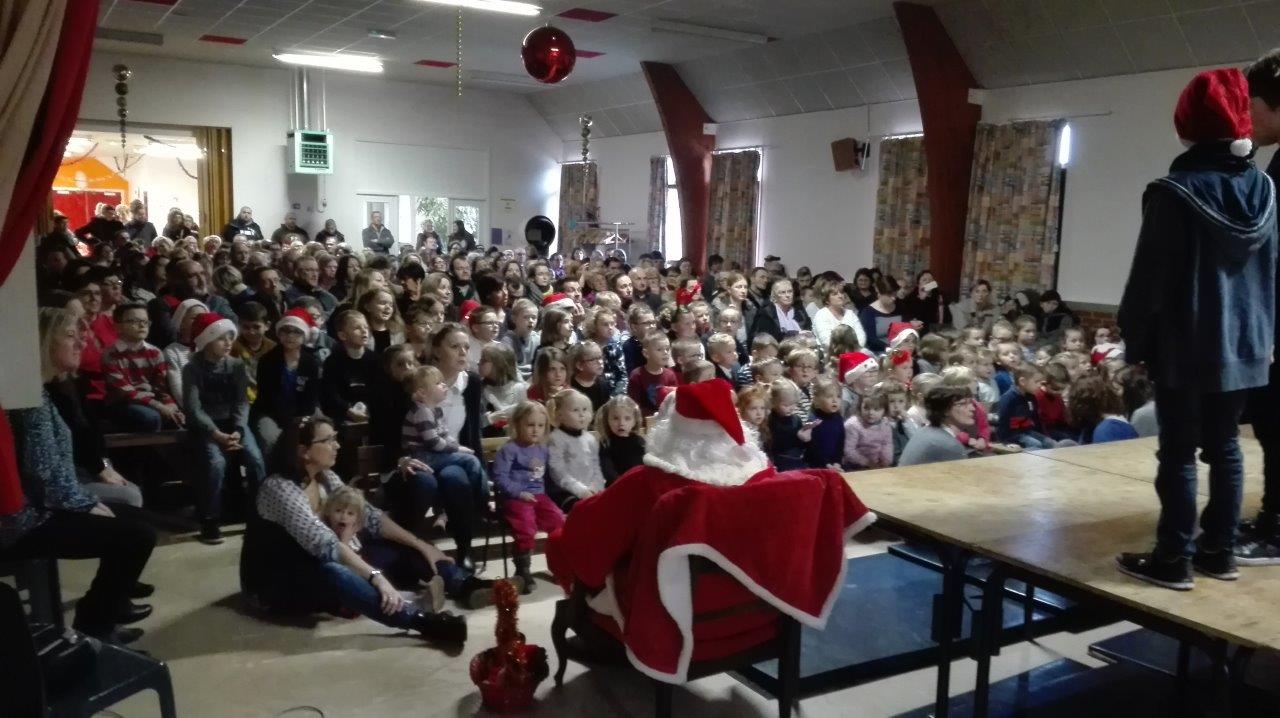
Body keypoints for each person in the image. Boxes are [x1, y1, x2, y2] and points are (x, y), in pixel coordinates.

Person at [1115, 69, 1278, 589]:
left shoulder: (1173, 191)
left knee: (1180, 451)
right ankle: (1220, 553)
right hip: (1248, 342)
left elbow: (1149, 281)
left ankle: (1173, 558)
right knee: (1226, 445)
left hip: (1185, 342)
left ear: (1187, 124)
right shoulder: (1266, 188)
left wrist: (1136, 341)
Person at [243, 417, 466, 642]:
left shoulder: (325, 477)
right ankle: (421, 621)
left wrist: (420, 545)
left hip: (315, 563)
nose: (337, 445)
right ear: (304, 451)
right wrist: (376, 577)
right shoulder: (279, 487)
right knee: (338, 572)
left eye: (335, 439)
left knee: (402, 547)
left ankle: (462, 582)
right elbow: (325, 545)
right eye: (328, 440)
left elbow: (370, 516)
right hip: (278, 582)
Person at [41, 308, 144, 508]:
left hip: (83, 472)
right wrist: (86, 499)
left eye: (81, 335)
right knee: (130, 497)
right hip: (66, 483)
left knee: (132, 492)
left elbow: (93, 431)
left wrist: (104, 466)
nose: (82, 343)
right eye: (71, 336)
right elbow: (45, 472)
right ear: (46, 341)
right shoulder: (40, 395)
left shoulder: (76, 383)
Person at [183, 312, 265, 544]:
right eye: (221, 338)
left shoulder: (236, 365)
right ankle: (210, 518)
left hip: (233, 423)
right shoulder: (193, 368)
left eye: (230, 337)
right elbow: (193, 407)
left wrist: (238, 428)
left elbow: (241, 400)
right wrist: (215, 433)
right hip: (208, 426)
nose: (228, 343)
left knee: (255, 459)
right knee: (216, 463)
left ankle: (259, 514)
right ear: (207, 340)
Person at [252, 309, 321, 461]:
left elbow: (310, 398)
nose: (290, 336)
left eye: (296, 332)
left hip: (302, 413)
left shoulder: (310, 363)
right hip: (271, 413)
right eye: (286, 331)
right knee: (271, 440)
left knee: (319, 434)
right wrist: (288, 422)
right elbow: (266, 398)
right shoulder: (267, 360)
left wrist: (300, 420)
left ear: (305, 336)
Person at [103, 302, 185, 431]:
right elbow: (125, 392)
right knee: (151, 418)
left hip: (151, 401)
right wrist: (160, 406)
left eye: (145, 321)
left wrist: (171, 406)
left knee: (179, 418)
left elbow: (161, 389)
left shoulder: (155, 352)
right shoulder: (111, 354)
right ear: (118, 326)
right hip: (123, 403)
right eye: (134, 321)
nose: (142, 325)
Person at [546, 389, 605, 511]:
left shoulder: (590, 439)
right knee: (581, 509)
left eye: (585, 409)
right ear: (560, 415)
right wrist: (581, 491)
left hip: (591, 489)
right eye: (575, 410)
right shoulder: (556, 438)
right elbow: (558, 471)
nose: (581, 414)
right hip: (565, 491)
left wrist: (595, 488)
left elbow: (596, 467)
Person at [320, 310, 376, 424]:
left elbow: (377, 390)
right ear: (342, 335)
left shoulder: (375, 360)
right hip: (342, 415)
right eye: (357, 328)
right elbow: (330, 393)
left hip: (369, 412)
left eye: (366, 327)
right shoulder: (333, 361)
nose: (364, 331)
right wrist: (348, 410)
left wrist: (368, 407)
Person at [898, 384, 973, 466]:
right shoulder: (948, 445)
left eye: (970, 403)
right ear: (945, 410)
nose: (972, 408)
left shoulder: (926, 431)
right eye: (962, 404)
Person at [596, 395, 645, 486]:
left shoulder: (639, 441)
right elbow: (607, 469)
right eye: (615, 418)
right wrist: (621, 484)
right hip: (616, 487)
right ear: (607, 420)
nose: (621, 423)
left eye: (627, 418)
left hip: (638, 485)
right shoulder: (606, 443)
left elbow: (645, 464)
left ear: (634, 421)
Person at [627, 332, 677, 416]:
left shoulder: (670, 375)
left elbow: (674, 401)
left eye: (667, 349)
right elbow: (633, 405)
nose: (665, 353)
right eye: (659, 349)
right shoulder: (637, 375)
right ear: (646, 353)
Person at [843, 392, 892, 470]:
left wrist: (885, 461)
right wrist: (867, 463)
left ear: (884, 411)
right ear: (860, 407)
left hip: (877, 464)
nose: (871, 413)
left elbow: (886, 444)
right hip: (854, 465)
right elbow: (849, 450)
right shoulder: (853, 424)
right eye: (866, 408)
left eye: (876, 409)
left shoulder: (885, 424)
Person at [812, 284, 866, 349]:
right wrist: (846, 350)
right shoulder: (821, 315)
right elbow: (826, 342)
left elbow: (861, 337)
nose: (840, 296)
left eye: (841, 292)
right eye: (835, 294)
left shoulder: (850, 314)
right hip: (830, 356)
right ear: (826, 300)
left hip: (855, 352)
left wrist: (853, 350)